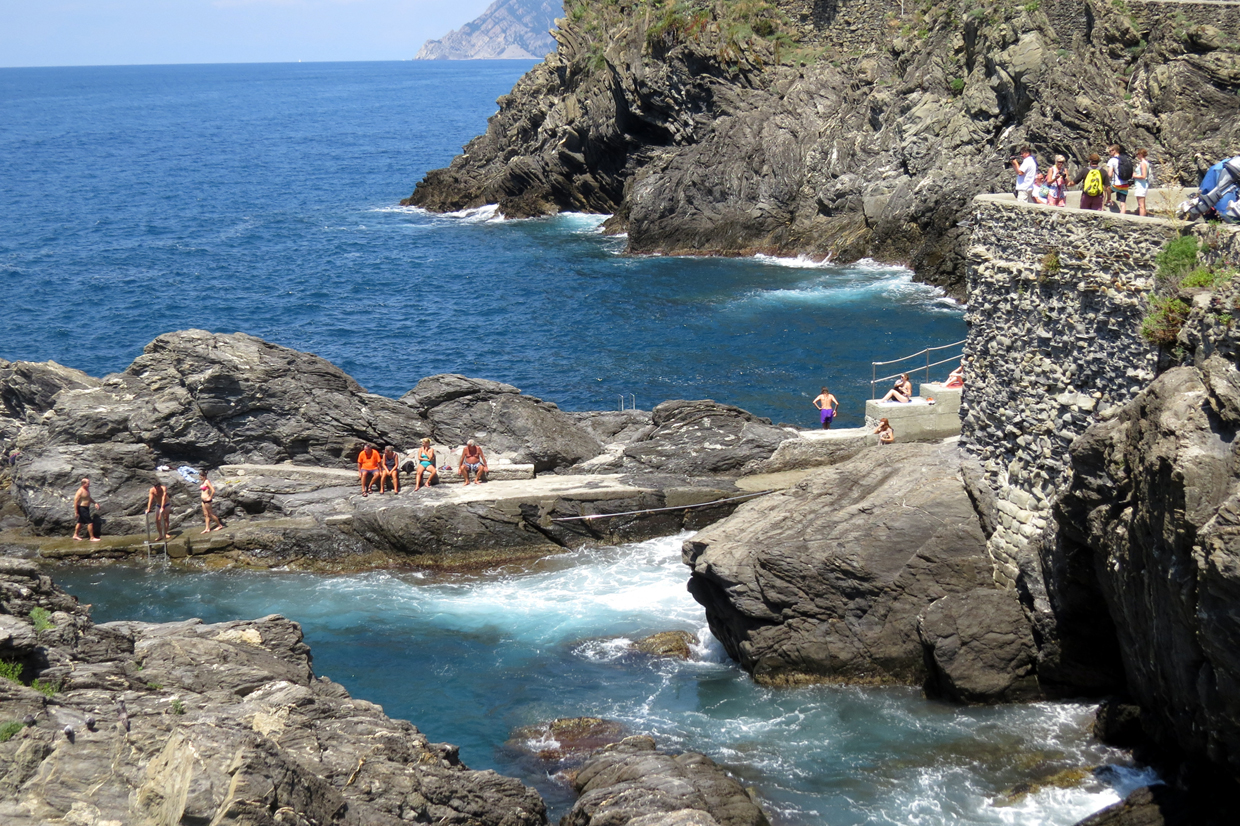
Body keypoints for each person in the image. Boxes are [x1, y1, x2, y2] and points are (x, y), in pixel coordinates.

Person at [72, 478, 100, 542]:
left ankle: (75, 535)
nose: (89, 485)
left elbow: (88, 498)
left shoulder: (87, 490)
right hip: (82, 508)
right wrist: (76, 512)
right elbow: (75, 501)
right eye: (88, 484)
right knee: (90, 523)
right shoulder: (80, 491)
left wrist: (95, 503)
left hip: (86, 508)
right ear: (83, 484)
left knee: (80, 522)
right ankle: (92, 538)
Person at [1106, 144, 1131, 214]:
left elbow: (1110, 174)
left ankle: (1108, 200)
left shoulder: (1112, 160)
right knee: (1123, 204)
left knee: (1105, 188)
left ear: (1115, 151)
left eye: (1111, 151)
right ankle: (1122, 217)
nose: (1110, 152)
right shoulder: (1125, 159)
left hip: (1116, 184)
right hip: (1125, 185)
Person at [1133, 148, 1151, 217]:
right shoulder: (1146, 163)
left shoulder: (1143, 163)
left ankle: (1141, 219)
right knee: (1142, 204)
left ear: (1140, 154)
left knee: (1141, 205)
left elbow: (1144, 176)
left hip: (1141, 185)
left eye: (1138, 154)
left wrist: (1135, 176)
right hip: (1142, 185)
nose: (1137, 156)